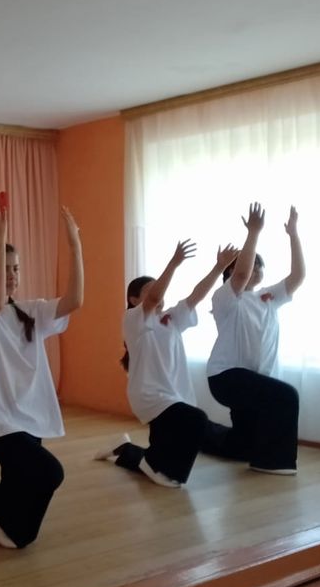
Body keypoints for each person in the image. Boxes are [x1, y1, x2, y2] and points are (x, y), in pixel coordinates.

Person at [0, 199, 83, 549]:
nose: (12, 275)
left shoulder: (31, 311)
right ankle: (7, 526)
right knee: (48, 474)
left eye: (16, 268)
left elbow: (74, 301)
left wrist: (74, 245)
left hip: (30, 420)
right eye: (4, 268)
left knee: (18, 488)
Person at [95, 242, 240, 487]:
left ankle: (125, 449)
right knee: (196, 420)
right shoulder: (133, 319)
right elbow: (153, 298)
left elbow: (195, 296)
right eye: (151, 289)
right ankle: (167, 473)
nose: (159, 294)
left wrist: (219, 267)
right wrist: (174, 263)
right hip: (150, 394)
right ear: (133, 299)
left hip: (174, 395)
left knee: (161, 449)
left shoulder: (171, 318)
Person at [205, 202, 305, 474]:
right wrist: (253, 232)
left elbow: (298, 276)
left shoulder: (268, 297)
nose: (257, 269)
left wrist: (293, 234)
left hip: (253, 378)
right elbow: (240, 274)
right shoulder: (226, 298)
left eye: (261, 265)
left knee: (240, 447)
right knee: (286, 396)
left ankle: (195, 431)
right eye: (253, 264)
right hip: (226, 376)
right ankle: (273, 463)